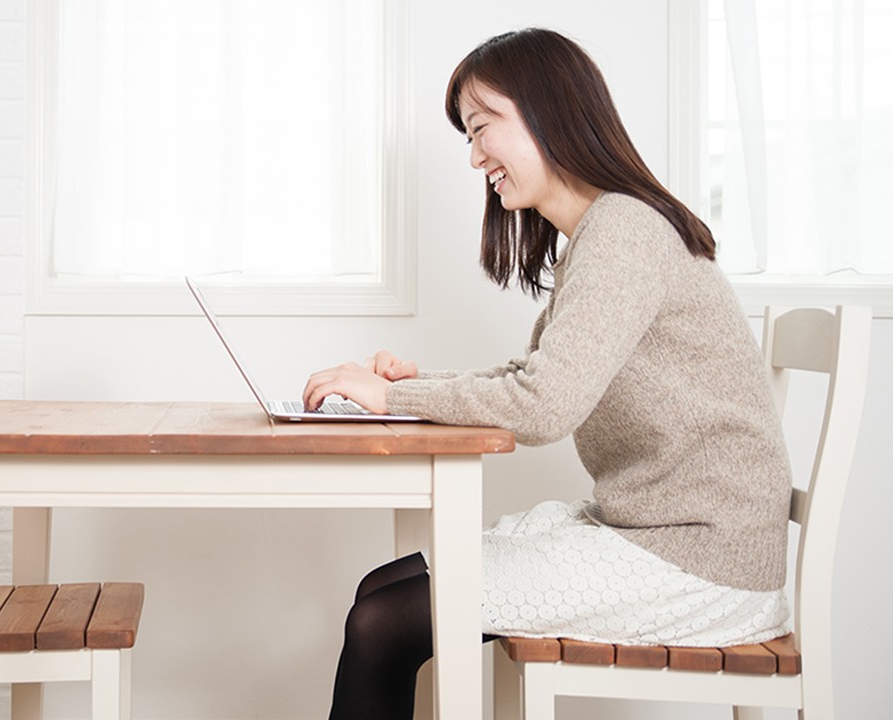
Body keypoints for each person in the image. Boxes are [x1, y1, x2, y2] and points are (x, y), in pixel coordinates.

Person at [302, 28, 793, 720]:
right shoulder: (601, 234)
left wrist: (393, 395)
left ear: (546, 109)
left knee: (383, 622)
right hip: (657, 537)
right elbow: (533, 375)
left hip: (701, 563)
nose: (475, 157)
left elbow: (542, 405)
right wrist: (409, 387)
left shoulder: (625, 231)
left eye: (481, 129)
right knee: (381, 589)